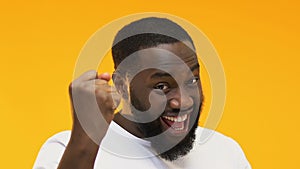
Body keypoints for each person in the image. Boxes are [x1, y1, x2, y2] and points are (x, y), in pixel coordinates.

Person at [33, 17, 251, 169]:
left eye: (192, 80)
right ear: (121, 85)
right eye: (161, 86)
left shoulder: (225, 152)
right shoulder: (68, 151)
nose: (183, 101)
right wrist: (87, 138)